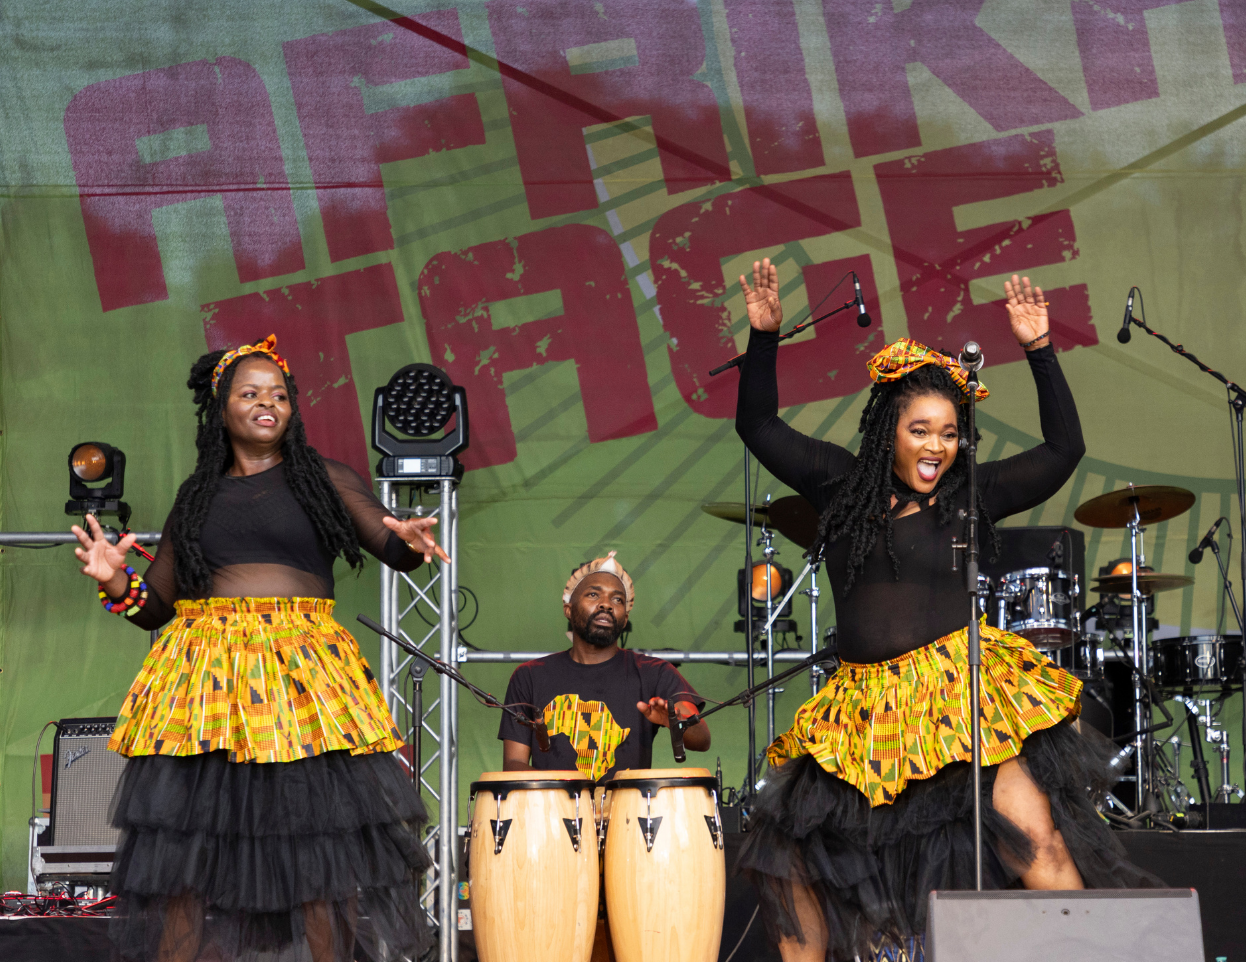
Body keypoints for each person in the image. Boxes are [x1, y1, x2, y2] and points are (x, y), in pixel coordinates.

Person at [730, 260, 1155, 962]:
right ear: (889, 427)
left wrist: (1041, 350)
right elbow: (757, 422)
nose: (936, 447)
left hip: (963, 693)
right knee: (797, 865)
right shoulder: (840, 484)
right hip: (864, 711)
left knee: (1036, 838)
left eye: (950, 432)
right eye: (921, 430)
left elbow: (1063, 450)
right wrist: (765, 335)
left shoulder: (970, 496)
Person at [71, 335, 447, 962]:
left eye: (278, 394)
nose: (267, 403)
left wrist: (405, 535)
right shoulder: (197, 495)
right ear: (222, 410)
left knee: (320, 855)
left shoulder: (324, 478)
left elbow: (397, 551)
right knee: (184, 861)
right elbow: (154, 609)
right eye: (249, 393)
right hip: (205, 678)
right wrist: (115, 578)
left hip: (300, 674)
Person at [498, 551, 709, 778]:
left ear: (625, 618)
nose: (606, 605)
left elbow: (702, 739)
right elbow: (513, 763)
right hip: (553, 810)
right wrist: (566, 793)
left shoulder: (654, 673)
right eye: (593, 595)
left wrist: (675, 722)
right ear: (568, 609)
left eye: (617, 599)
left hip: (627, 811)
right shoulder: (530, 676)